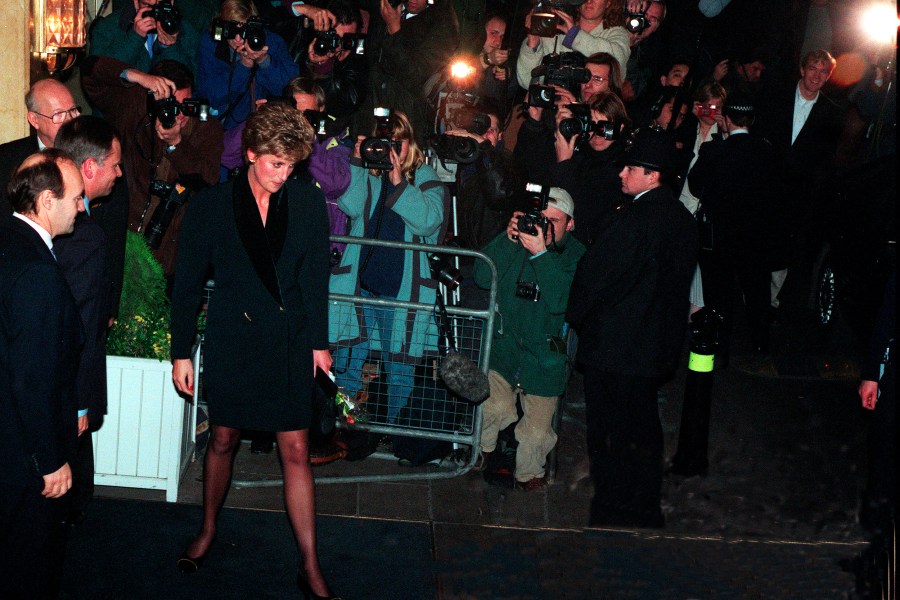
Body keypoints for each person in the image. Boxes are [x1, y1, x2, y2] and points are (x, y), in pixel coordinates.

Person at [169, 102, 338, 599]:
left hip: (287, 340)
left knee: (297, 450)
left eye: (291, 165)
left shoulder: (307, 200)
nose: (284, 175)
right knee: (222, 439)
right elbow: (188, 285)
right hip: (233, 338)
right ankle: (207, 529)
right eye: (275, 164)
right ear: (248, 155)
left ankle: (310, 564)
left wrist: (319, 343)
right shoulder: (210, 206)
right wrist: (182, 351)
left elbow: (314, 279)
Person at [566, 128, 697, 527]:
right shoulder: (683, 221)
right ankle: (646, 503)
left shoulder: (631, 221)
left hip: (614, 347)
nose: (622, 173)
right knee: (644, 425)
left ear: (653, 176)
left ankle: (613, 503)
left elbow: (595, 277)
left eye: (631, 167)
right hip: (655, 347)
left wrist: (577, 317)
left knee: (608, 427)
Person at [0, 149, 85, 598]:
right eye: (76, 198)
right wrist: (50, 461)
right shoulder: (37, 272)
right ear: (47, 201)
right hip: (22, 457)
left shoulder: (8, 243)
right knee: (28, 568)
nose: (83, 207)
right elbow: (31, 378)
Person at [329, 110, 449, 423]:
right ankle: (347, 423)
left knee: (399, 369)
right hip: (361, 288)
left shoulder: (427, 180)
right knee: (348, 362)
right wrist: (357, 162)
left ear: (411, 144)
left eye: (399, 142)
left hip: (402, 294)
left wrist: (398, 183)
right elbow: (350, 206)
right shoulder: (369, 175)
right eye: (386, 143)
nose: (393, 150)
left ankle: (396, 432)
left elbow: (427, 222)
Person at [475, 187, 585, 490]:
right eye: (541, 219)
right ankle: (480, 452)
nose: (545, 227)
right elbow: (482, 276)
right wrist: (508, 239)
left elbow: (561, 300)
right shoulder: (518, 241)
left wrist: (540, 254)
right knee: (492, 408)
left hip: (544, 361)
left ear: (570, 223)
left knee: (536, 435)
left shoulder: (577, 255)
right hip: (506, 350)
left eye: (555, 221)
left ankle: (529, 473)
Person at [81, 56, 224, 277]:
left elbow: (209, 178)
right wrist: (137, 76)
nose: (180, 114)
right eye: (171, 105)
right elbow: (90, 72)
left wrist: (176, 143)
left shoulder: (205, 127)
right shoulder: (133, 109)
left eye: (185, 103)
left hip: (170, 247)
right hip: (125, 236)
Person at [1, 79, 129, 322]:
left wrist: (110, 304)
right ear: (34, 120)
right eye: (60, 114)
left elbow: (114, 239)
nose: (71, 119)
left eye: (74, 110)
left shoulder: (99, 157)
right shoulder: (8, 160)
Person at [52, 115, 124, 524]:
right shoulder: (85, 236)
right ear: (90, 168)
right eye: (114, 164)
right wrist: (79, 401)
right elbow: (77, 327)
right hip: (62, 394)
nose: (119, 173)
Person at [197, 0, 300, 172]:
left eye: (243, 31)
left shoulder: (272, 42)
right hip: (225, 131)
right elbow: (210, 95)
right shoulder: (211, 43)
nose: (238, 39)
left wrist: (264, 62)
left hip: (267, 131)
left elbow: (290, 88)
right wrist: (242, 67)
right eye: (232, 31)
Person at [354, 0, 460, 148]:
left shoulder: (443, 23)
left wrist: (395, 30)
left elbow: (414, 74)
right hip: (368, 111)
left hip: (405, 118)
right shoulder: (389, 5)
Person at [551, 90, 631, 247]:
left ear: (620, 128)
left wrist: (564, 164)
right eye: (593, 126)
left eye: (606, 127)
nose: (598, 134)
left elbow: (582, 213)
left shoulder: (624, 167)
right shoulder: (577, 152)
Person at [516, 0, 630, 91]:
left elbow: (617, 62)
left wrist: (574, 36)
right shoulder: (554, 31)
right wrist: (533, 41)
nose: (589, 1)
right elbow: (527, 81)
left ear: (608, 3)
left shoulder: (616, 33)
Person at [90, 0, 200, 76]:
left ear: (171, 2)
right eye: (147, 5)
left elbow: (190, 81)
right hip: (122, 105)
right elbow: (99, 74)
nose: (154, 12)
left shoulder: (185, 30)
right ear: (136, 2)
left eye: (160, 6)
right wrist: (134, 37)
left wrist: (170, 47)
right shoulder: (107, 27)